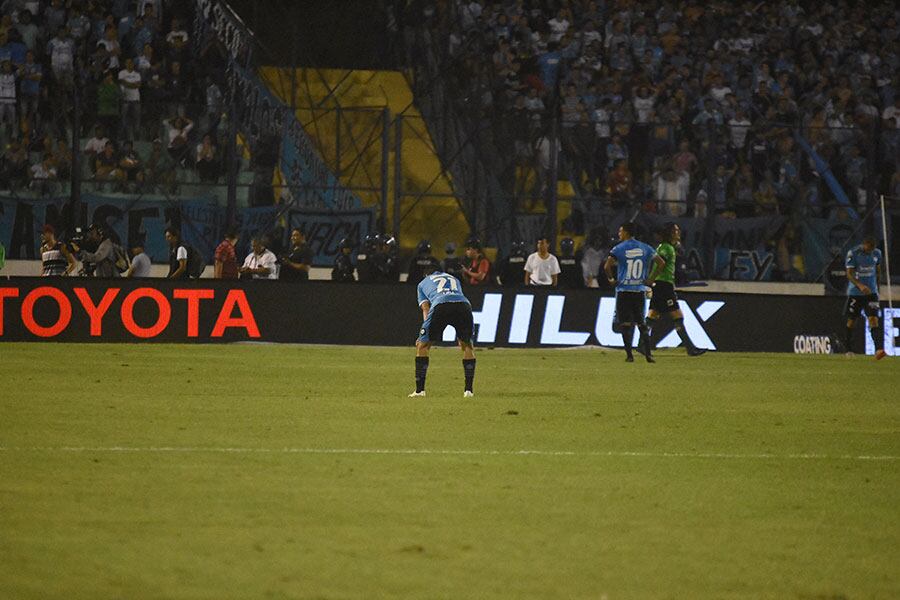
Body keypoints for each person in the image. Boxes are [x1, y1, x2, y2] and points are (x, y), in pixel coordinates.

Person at [410, 269, 476, 398]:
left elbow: (426, 308)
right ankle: (468, 391)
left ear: (427, 275)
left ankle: (419, 391)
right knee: (467, 345)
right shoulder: (453, 278)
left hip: (441, 304)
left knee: (422, 346)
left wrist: (425, 333)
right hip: (463, 305)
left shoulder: (422, 283)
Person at [604, 222, 664, 363]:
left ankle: (629, 355)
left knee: (625, 323)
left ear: (626, 232)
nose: (619, 234)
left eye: (620, 231)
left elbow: (607, 266)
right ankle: (648, 354)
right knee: (641, 323)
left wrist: (612, 279)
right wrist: (650, 279)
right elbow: (661, 263)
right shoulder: (646, 248)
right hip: (639, 290)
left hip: (624, 290)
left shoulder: (618, 249)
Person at [645, 224, 705, 356]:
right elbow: (661, 264)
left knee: (652, 315)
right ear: (670, 233)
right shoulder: (666, 248)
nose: (678, 232)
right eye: (676, 230)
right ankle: (690, 348)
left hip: (660, 284)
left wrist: (651, 280)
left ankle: (641, 345)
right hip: (664, 285)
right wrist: (650, 279)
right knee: (677, 315)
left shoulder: (665, 247)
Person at [844, 236, 886, 359]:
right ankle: (848, 349)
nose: (870, 251)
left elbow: (878, 270)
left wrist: (877, 287)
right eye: (868, 248)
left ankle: (878, 350)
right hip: (856, 293)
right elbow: (849, 274)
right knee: (852, 321)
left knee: (873, 319)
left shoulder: (877, 253)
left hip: (871, 294)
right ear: (864, 244)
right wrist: (860, 285)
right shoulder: (853, 253)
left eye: (872, 249)